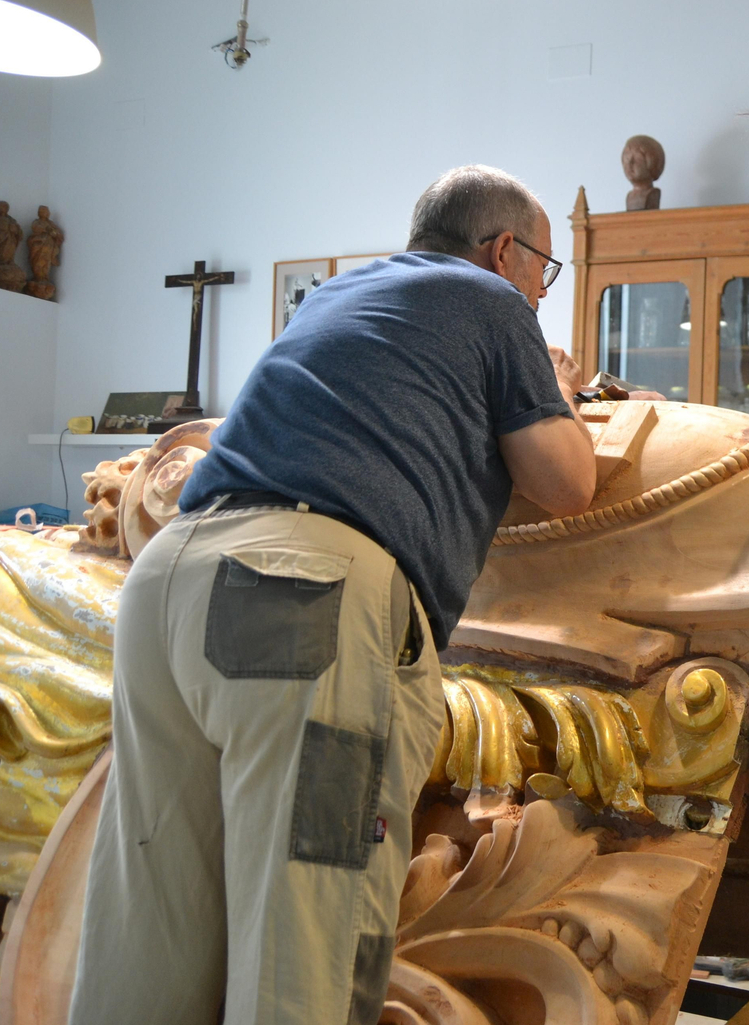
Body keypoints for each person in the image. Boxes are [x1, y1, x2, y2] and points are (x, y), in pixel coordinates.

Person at [68, 165, 596, 1025]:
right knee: (304, 946)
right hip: (296, 602)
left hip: (169, 582)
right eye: (545, 267)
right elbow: (568, 481)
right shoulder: (493, 302)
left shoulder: (337, 298)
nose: (543, 288)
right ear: (505, 250)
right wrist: (558, 391)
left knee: (150, 927)